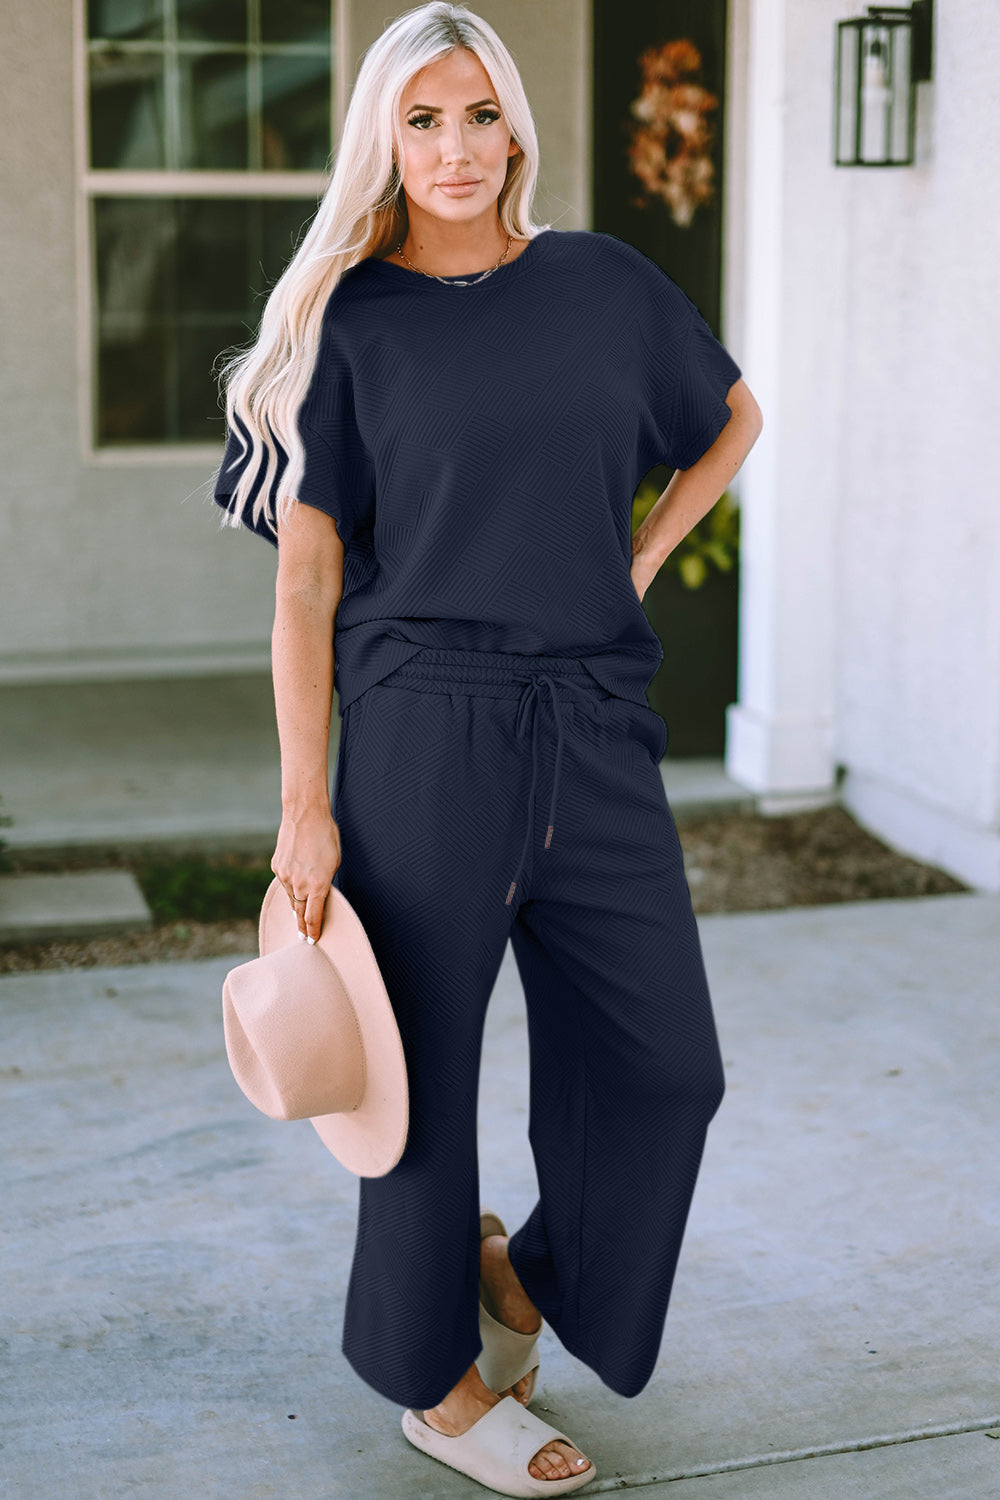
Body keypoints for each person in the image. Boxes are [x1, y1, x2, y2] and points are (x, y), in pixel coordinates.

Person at [212, 3, 762, 1493]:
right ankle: (439, 1389)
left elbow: (730, 419)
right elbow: (307, 584)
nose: (453, 148)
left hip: (594, 726)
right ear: (383, 142)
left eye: (476, 114)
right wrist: (306, 806)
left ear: (515, 126)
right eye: (420, 120)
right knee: (417, 1092)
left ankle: (520, 1281)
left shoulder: (605, 284)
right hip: (422, 734)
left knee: (667, 1068)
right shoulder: (352, 323)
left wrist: (637, 560)